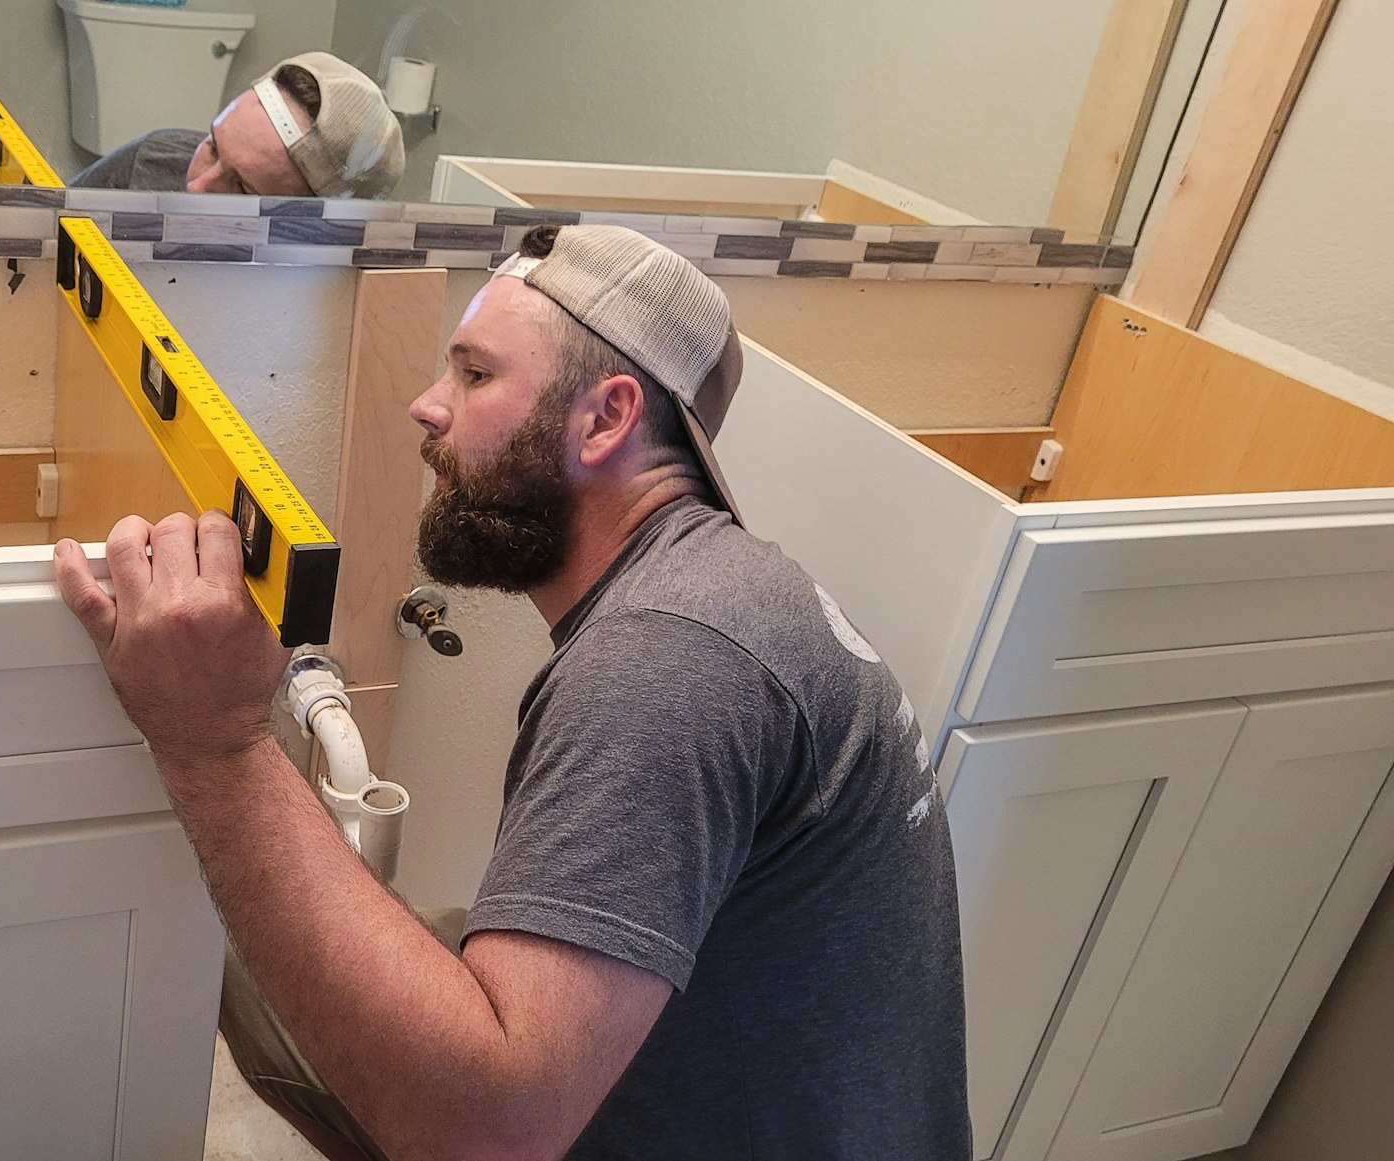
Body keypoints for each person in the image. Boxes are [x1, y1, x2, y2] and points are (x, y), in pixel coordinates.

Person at [50, 225, 972, 1160]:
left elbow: (489, 1134)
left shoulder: (667, 660)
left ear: (606, 420)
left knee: (274, 974)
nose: (425, 406)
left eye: (475, 375)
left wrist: (216, 741)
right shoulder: (716, 591)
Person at [0, 51, 404, 199]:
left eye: (241, 187)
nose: (194, 185)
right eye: (213, 146)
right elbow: (37, 239)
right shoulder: (159, 158)